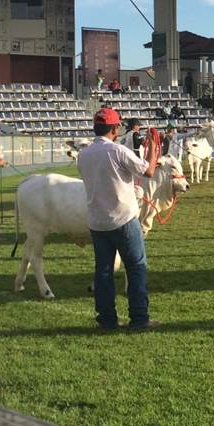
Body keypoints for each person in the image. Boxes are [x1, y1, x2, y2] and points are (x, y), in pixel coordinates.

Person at [77, 106, 159, 333]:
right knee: (136, 267)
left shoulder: (83, 154)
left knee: (103, 271)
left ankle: (106, 319)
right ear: (114, 128)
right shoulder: (118, 151)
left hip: (97, 221)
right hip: (123, 219)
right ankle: (139, 318)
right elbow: (149, 171)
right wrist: (152, 149)